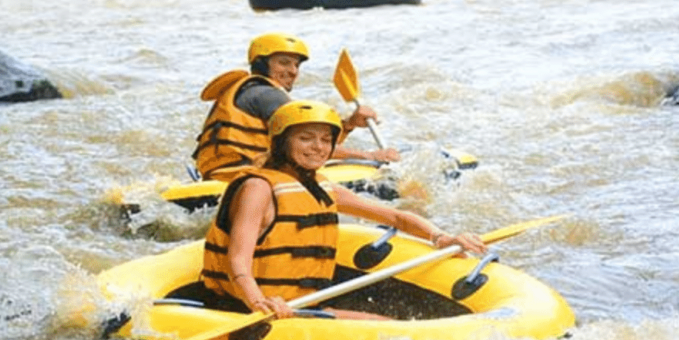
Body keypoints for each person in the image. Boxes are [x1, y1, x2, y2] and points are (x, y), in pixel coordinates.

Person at [199, 100, 488, 319]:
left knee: (389, 326)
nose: (318, 148)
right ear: (281, 142)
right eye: (305, 138)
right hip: (246, 309)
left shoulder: (320, 186)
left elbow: (396, 217)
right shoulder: (257, 189)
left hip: (301, 306)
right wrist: (257, 301)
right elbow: (237, 259)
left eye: (326, 140)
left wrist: (441, 237)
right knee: (386, 330)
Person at [193, 33, 400, 181]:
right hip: (244, 177)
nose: (292, 71)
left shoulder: (245, 89)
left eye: (296, 65)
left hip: (220, 173)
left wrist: (348, 125)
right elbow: (310, 147)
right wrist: (371, 157)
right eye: (284, 63)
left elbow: (307, 140)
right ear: (262, 64)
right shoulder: (267, 95)